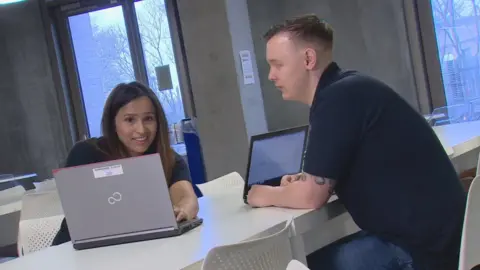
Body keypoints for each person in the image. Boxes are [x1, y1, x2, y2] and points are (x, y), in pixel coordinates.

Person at [247, 15, 466, 270]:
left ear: (308, 59)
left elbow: (311, 197)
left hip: (420, 252)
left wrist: (264, 194)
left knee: (295, 265)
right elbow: (331, 175)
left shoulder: (335, 101)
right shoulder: (350, 88)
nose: (271, 76)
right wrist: (303, 180)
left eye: (278, 65)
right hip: (446, 242)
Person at [52, 81, 199, 245]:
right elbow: (77, 212)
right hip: (74, 249)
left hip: (135, 250)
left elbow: (186, 196)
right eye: (130, 120)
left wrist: (183, 210)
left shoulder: (168, 159)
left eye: (149, 119)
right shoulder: (85, 153)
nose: (141, 130)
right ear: (113, 123)